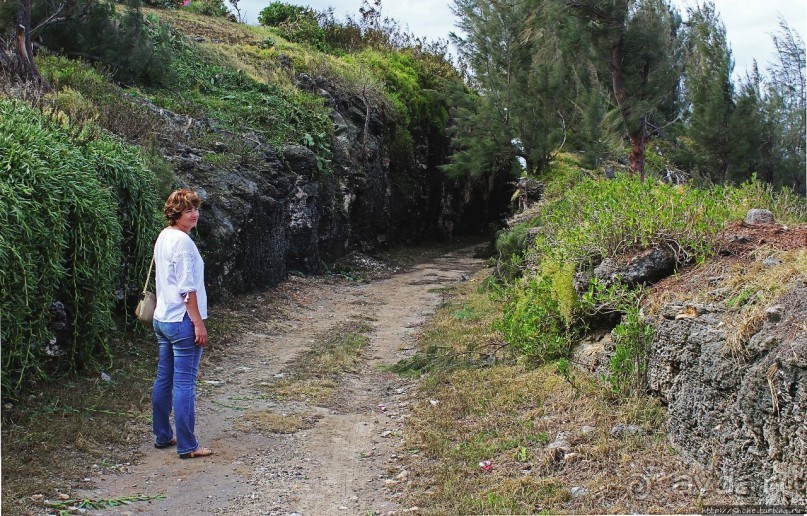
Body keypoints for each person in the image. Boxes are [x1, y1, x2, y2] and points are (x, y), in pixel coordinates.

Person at [151, 189, 213, 459]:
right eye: (188, 210)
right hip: (182, 320)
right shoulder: (183, 243)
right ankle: (188, 446)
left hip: (162, 318)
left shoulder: (164, 236)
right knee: (185, 383)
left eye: (196, 208)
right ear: (176, 213)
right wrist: (198, 323)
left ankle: (164, 435)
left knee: (164, 379)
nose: (195, 214)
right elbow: (187, 289)